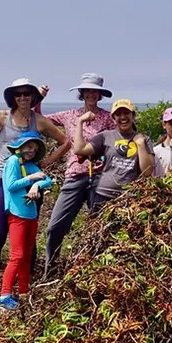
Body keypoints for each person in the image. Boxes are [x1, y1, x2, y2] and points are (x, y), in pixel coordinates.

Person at [0, 78, 68, 301]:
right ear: (12, 97)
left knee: (28, 238)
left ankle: (24, 288)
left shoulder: (39, 121)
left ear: (33, 97)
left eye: (26, 94)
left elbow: (65, 142)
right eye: (18, 95)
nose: (22, 98)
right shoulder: (2, 116)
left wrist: (44, 164)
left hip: (31, 186)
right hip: (5, 183)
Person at [42, 73, 116, 274]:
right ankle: (51, 267)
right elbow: (38, 120)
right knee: (55, 226)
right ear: (81, 93)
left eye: (95, 91)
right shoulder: (69, 116)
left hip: (100, 177)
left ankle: (97, 269)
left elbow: (119, 142)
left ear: (100, 95)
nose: (91, 94)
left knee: (100, 225)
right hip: (74, 175)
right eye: (88, 91)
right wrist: (39, 98)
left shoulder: (108, 119)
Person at [0, 131, 53, 310]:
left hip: (31, 214)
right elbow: (11, 186)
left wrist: (36, 184)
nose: (31, 151)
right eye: (28, 147)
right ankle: (4, 296)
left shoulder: (31, 165)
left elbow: (48, 180)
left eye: (34, 149)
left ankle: (23, 292)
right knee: (17, 256)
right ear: (20, 147)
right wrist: (30, 179)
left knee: (27, 256)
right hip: (17, 215)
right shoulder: (13, 162)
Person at [71, 100, 154, 213]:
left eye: (126, 113)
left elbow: (147, 172)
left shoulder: (144, 140)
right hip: (102, 195)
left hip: (129, 198)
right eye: (118, 114)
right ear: (113, 118)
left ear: (133, 115)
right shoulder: (105, 136)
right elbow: (79, 150)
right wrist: (80, 121)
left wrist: (140, 144)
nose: (123, 117)